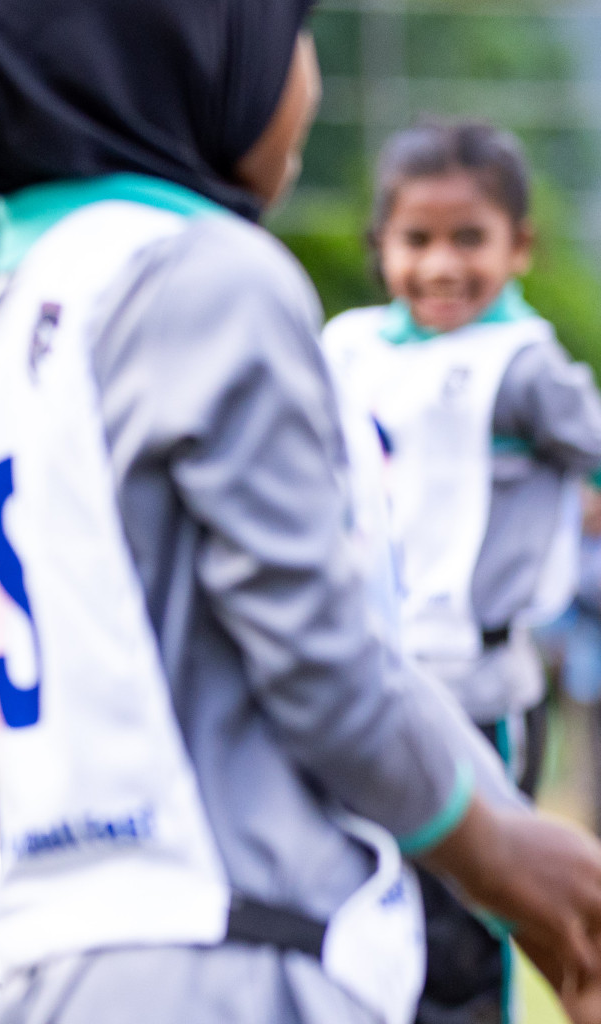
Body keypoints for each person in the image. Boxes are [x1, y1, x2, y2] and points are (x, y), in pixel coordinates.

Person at [0, 3, 601, 1024]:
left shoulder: (32, 284)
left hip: (57, 959)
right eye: (291, 32)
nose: (306, 76)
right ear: (196, 54)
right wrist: (502, 851)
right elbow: (321, 661)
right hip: (236, 949)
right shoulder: (204, 275)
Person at [321, 119, 601, 1024]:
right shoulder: (351, 348)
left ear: (519, 246)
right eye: (418, 241)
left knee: (473, 905)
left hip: (478, 682)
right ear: (383, 247)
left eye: (469, 239)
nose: (442, 266)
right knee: (374, 884)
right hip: (365, 670)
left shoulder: (523, 368)